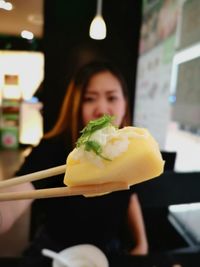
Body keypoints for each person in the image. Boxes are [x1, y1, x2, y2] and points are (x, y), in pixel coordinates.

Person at [0, 61, 148, 266]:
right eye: (89, 99)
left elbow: (130, 195)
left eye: (112, 97)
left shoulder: (128, 152)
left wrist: (142, 242)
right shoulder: (52, 148)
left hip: (108, 253)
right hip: (56, 252)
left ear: (125, 104)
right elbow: (17, 194)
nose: (102, 109)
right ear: (76, 105)